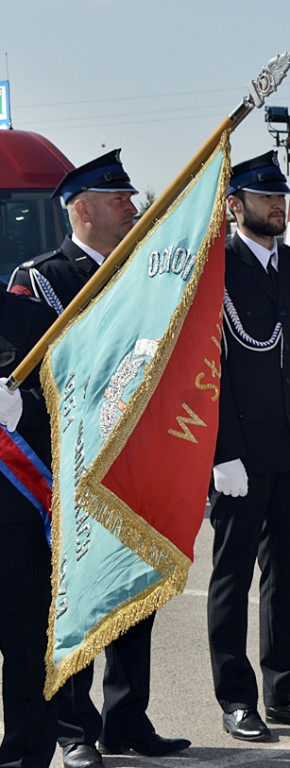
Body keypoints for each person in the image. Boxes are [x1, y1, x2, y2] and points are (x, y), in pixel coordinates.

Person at [9, 150, 189, 768]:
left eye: (131, 199)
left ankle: (127, 718)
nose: (132, 210)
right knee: (77, 600)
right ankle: (74, 730)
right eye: (120, 202)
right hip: (72, 464)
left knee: (132, 595)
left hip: (133, 457)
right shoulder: (42, 279)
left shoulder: (140, 272)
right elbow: (30, 377)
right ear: (82, 210)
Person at [208, 152, 290, 741]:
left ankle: (285, 692)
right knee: (232, 580)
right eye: (264, 198)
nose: (277, 205)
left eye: (281, 196)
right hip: (241, 454)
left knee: (285, 578)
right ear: (235, 205)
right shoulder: (215, 269)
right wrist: (221, 452)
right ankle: (237, 700)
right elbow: (205, 371)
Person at [0, 292, 58, 768]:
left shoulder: (31, 318)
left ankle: (24, 754)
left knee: (25, 648)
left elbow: (67, 397)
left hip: (15, 515)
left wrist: (23, 409)